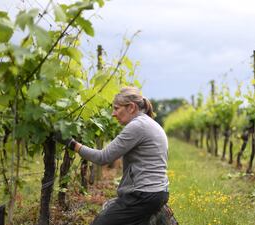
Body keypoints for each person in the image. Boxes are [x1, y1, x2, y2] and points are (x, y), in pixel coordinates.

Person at [55, 86, 169, 225]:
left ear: (131, 107)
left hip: (143, 195)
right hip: (157, 192)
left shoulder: (137, 126)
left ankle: (156, 218)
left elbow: (103, 158)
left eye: (116, 108)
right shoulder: (148, 123)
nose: (113, 114)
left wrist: (72, 144)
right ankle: (156, 218)